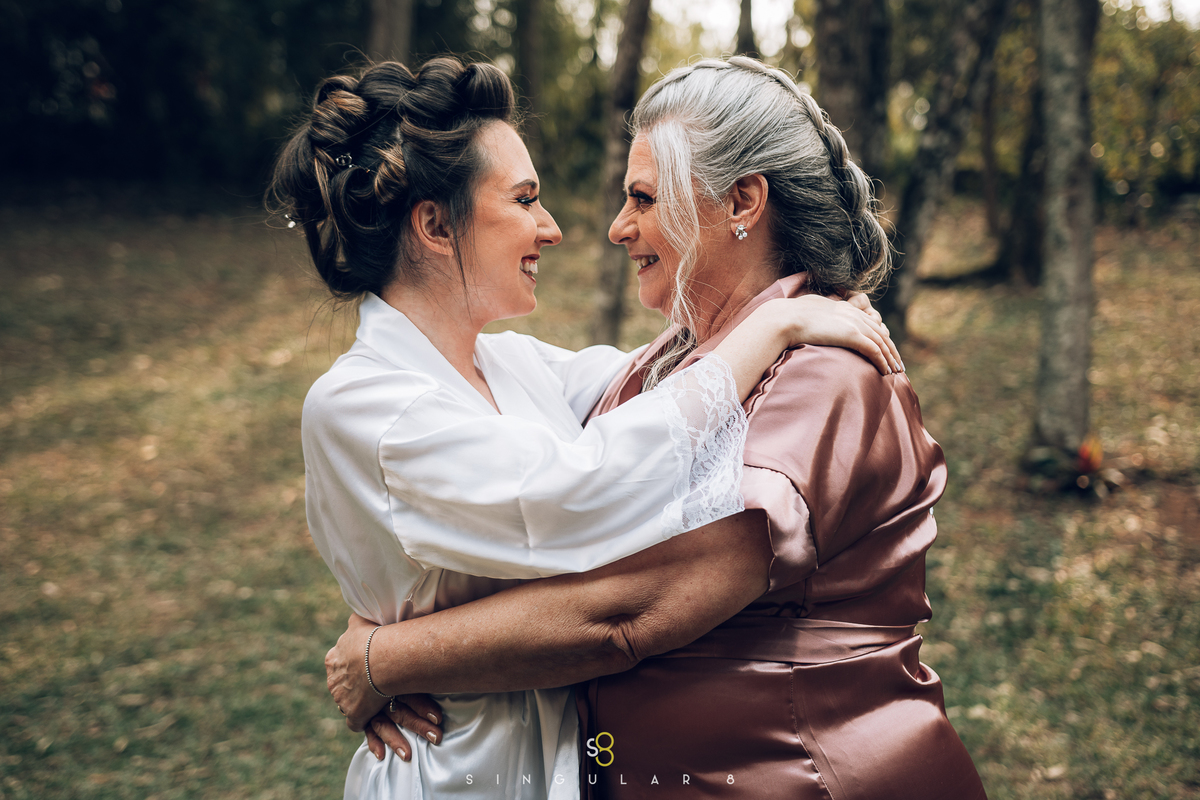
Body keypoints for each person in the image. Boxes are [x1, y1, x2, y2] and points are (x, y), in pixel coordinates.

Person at [326, 56, 987, 799]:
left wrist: (384, 658)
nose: (615, 227)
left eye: (642, 197)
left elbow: (628, 609)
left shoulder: (821, 378)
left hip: (805, 774)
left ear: (742, 202)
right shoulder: (683, 360)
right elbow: (539, 468)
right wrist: (390, 599)